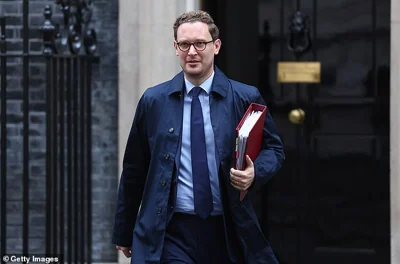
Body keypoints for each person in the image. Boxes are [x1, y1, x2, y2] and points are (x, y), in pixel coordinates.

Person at [112, 10, 285, 264]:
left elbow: (274, 150)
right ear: (175, 48)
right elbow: (134, 169)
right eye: (184, 44)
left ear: (216, 46)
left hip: (227, 228)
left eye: (200, 43)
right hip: (171, 231)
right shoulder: (154, 101)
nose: (192, 51)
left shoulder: (245, 97)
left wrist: (254, 172)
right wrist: (123, 230)